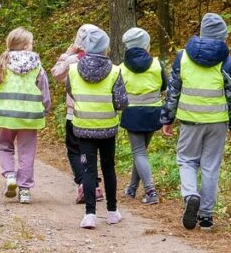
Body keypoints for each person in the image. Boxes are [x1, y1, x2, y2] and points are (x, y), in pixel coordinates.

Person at [160, 13, 231, 231]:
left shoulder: (183, 57)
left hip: (189, 120)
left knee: (187, 161)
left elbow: (173, 91)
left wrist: (167, 118)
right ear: (223, 36)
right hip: (217, 122)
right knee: (210, 166)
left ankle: (190, 196)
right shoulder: (227, 61)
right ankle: (206, 217)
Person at [67, 26, 127, 229]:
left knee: (88, 170)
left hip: (83, 127)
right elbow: (121, 102)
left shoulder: (74, 70)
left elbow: (71, 92)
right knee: (109, 168)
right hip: (107, 127)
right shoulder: (115, 71)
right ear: (105, 48)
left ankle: (90, 214)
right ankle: (112, 212)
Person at [0, 28, 50, 204]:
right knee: (27, 151)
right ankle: (25, 190)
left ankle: (10, 176)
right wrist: (45, 109)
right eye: (31, 42)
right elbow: (44, 91)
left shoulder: (1, 65)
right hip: (30, 116)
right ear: (26, 46)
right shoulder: (37, 66)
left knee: (5, 145)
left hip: (5, 115)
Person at [52, 24, 102, 204]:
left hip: (74, 114)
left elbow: (57, 75)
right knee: (91, 151)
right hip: (97, 114)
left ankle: (83, 183)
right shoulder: (103, 60)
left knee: (75, 151)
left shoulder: (73, 61)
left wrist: (66, 55)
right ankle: (94, 185)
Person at [119, 27, 165, 205]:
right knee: (141, 153)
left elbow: (119, 91)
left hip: (133, 113)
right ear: (147, 46)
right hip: (154, 112)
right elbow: (164, 85)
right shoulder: (157, 64)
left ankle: (150, 191)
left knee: (139, 153)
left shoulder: (122, 68)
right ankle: (131, 188)